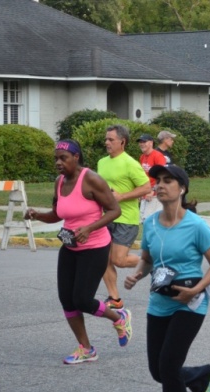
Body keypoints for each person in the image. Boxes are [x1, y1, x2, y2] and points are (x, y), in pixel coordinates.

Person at [124, 164, 210, 392]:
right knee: (158, 371)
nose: (161, 185)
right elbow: (146, 258)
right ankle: (199, 377)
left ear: (181, 189)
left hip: (190, 303)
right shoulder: (151, 223)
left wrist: (196, 289)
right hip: (159, 303)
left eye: (169, 181)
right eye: (158, 181)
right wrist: (138, 274)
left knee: (168, 366)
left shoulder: (196, 225)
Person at [24, 139, 131, 364]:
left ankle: (119, 317)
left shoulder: (91, 179)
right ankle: (86, 349)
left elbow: (115, 210)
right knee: (67, 300)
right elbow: (58, 214)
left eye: (63, 158)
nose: (58, 163)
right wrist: (37, 215)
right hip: (70, 246)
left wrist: (90, 227)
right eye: (56, 159)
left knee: (82, 299)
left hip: (95, 247)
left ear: (76, 157)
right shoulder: (59, 182)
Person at [97, 124, 152, 310]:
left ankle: (156, 262)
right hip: (106, 217)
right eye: (106, 139)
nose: (107, 142)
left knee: (119, 260)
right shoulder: (102, 162)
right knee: (103, 258)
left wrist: (121, 196)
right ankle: (115, 298)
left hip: (126, 218)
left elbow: (146, 188)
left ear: (122, 141)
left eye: (111, 139)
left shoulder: (130, 163)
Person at [137, 133, 166, 223]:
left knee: (151, 221)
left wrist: (153, 190)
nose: (141, 144)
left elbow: (162, 175)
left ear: (151, 143)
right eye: (140, 142)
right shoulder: (142, 157)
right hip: (146, 192)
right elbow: (142, 176)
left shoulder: (157, 156)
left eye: (144, 142)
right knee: (143, 220)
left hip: (154, 195)